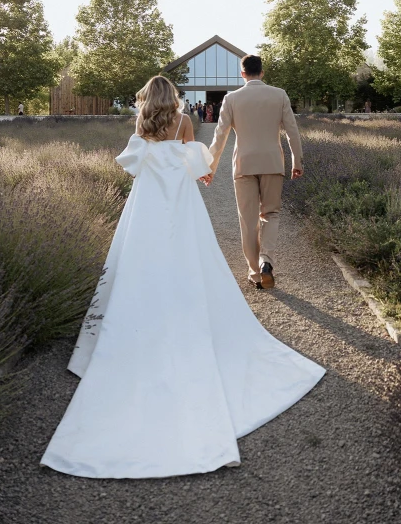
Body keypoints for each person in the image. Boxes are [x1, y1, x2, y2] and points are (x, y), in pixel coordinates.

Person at [40, 75, 324, 478]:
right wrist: (203, 174)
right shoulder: (184, 120)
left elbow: (134, 168)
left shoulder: (142, 122)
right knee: (191, 252)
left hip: (148, 204)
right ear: (172, 97)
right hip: (181, 200)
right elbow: (196, 162)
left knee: (138, 258)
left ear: (147, 98)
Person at [208, 55, 303, 290]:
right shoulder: (279, 95)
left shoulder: (231, 99)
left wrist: (209, 168)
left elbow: (220, 136)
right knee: (271, 213)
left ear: (242, 74)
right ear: (262, 72)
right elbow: (292, 131)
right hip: (272, 163)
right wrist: (296, 161)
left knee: (248, 221)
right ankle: (266, 262)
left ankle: (255, 273)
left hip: (243, 165)